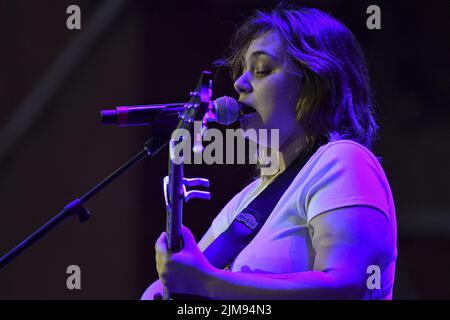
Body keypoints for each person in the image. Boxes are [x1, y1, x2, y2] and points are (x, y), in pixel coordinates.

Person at [142, 4, 397, 300]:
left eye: (262, 69)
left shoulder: (342, 161)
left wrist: (209, 284)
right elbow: (185, 283)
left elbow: (346, 287)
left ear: (314, 84)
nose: (238, 83)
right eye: (242, 71)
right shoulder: (243, 203)